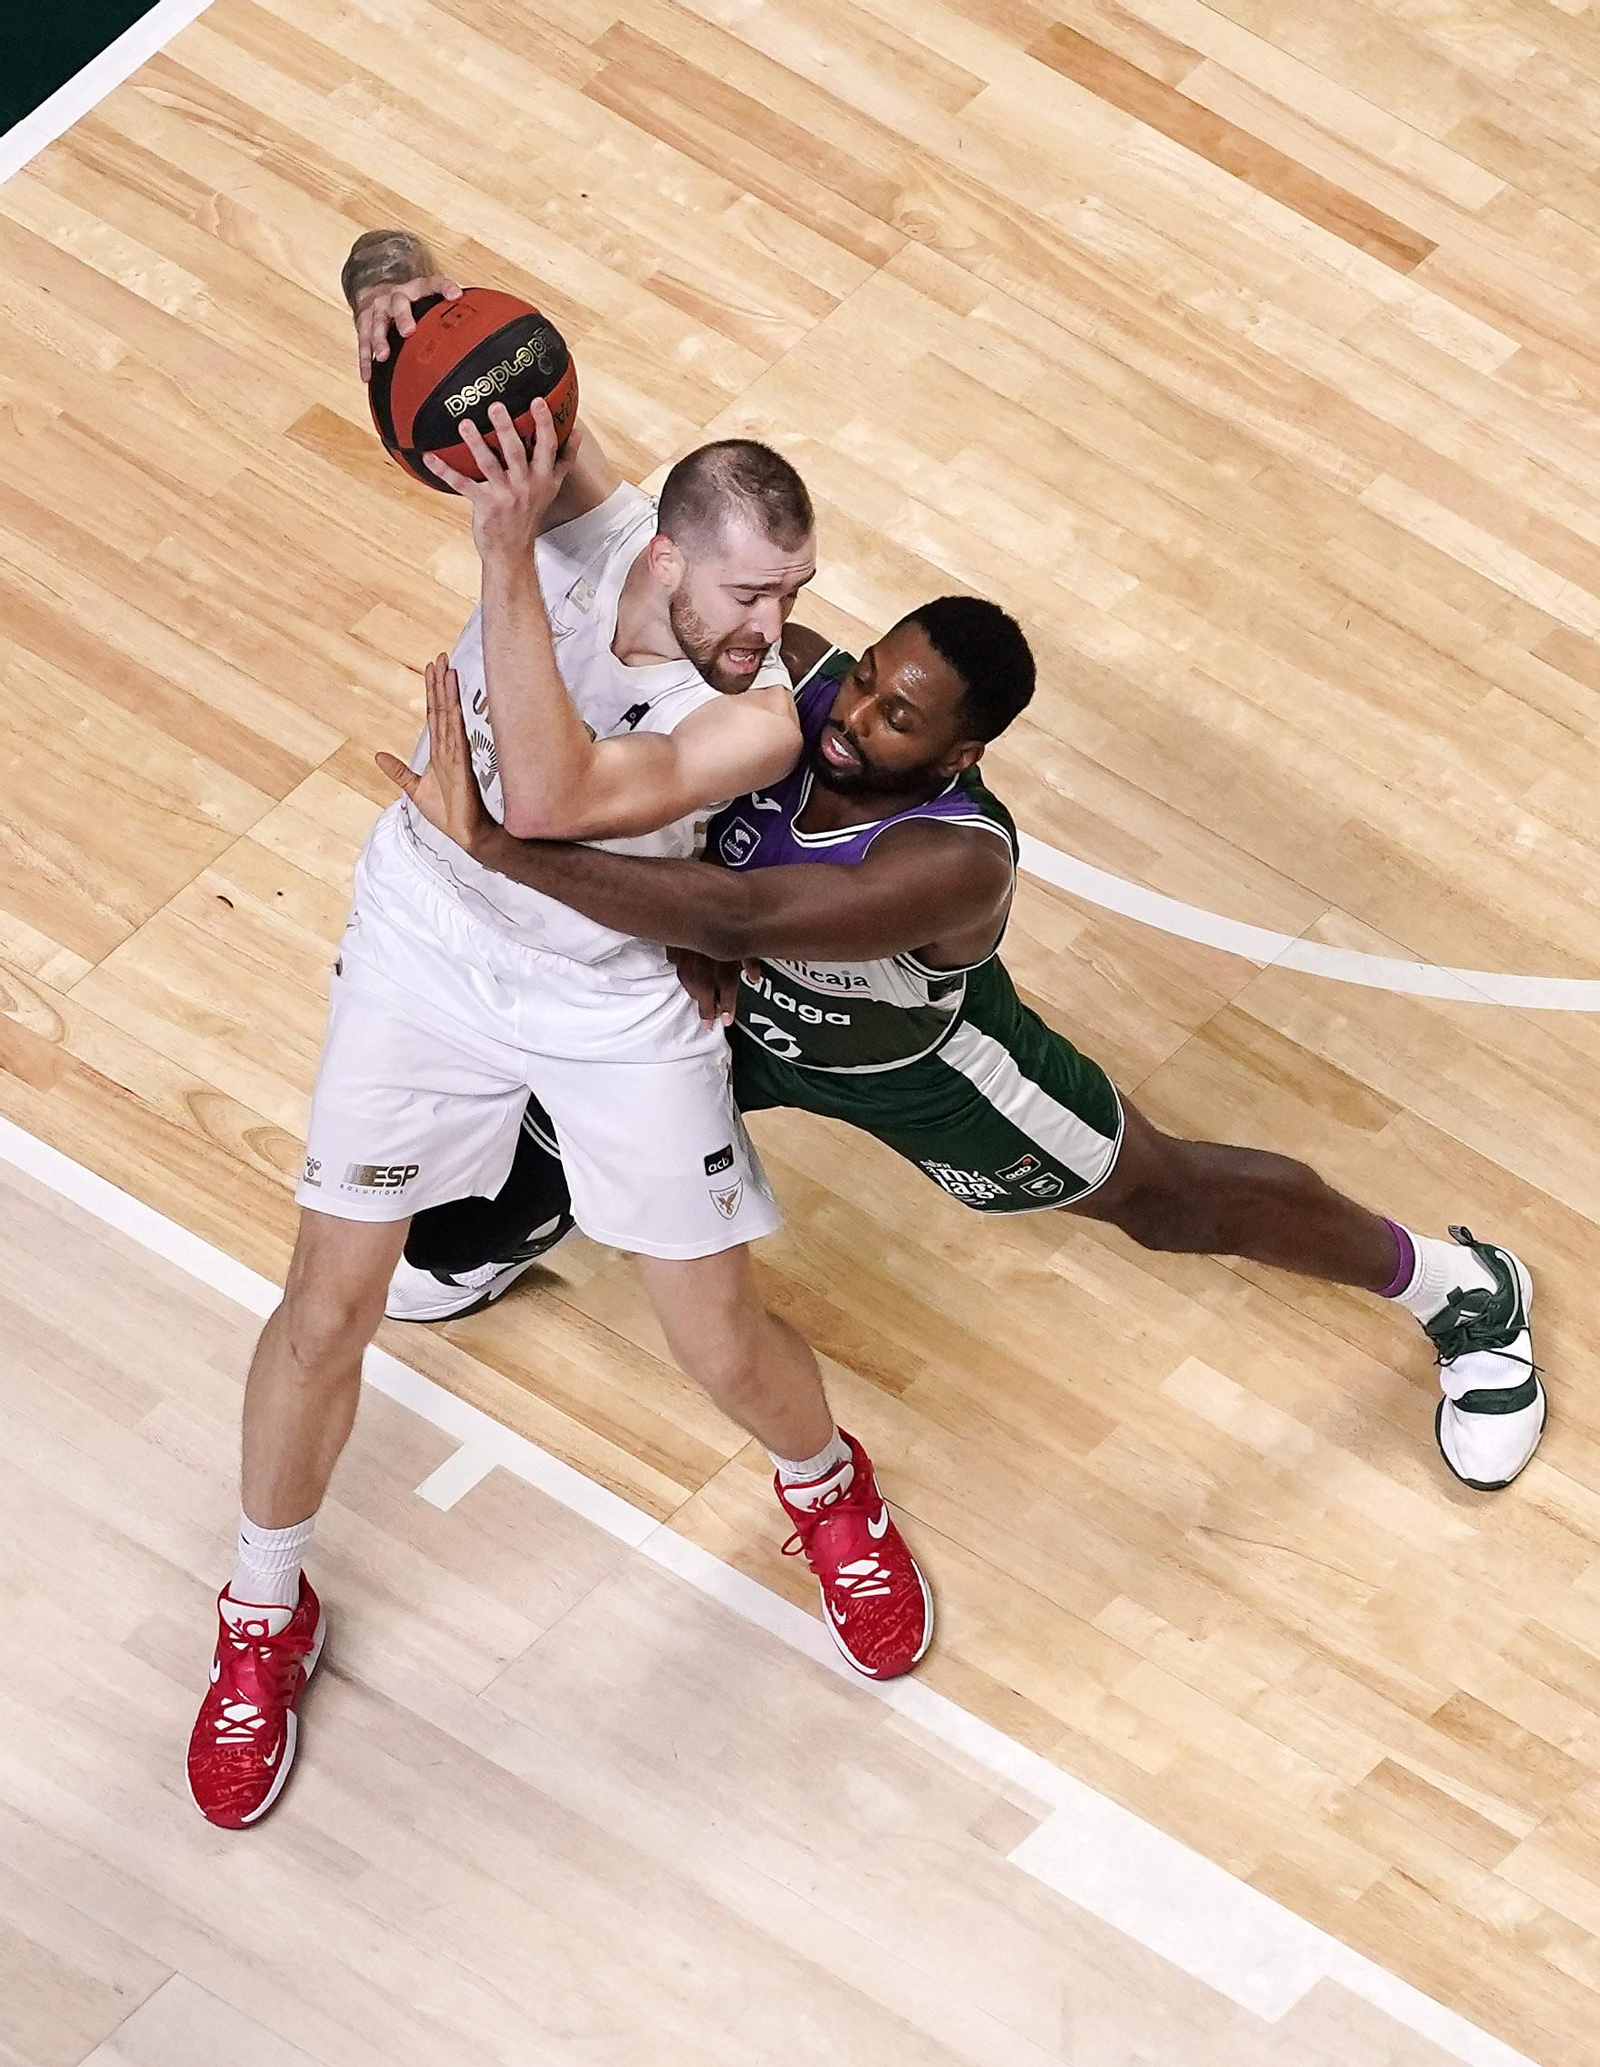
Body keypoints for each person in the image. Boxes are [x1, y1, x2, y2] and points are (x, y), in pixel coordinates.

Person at [186, 238, 930, 1834]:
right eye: (754, 590)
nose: (783, 623)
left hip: (611, 988)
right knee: (328, 1300)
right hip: (431, 948)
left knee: (715, 1333)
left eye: (795, 591)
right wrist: (385, 292)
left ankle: (828, 1489)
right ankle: (263, 1609)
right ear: (665, 549)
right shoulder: (584, 520)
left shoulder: (761, 713)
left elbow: (542, 798)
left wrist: (500, 559)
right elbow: (429, 308)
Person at [387, 606, 1546, 1509]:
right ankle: (503, 1230)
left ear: (959, 753)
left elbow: (739, 924)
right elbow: (658, 569)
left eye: (899, 716)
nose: (851, 714)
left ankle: (1464, 1292)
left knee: (1168, 1201)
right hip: (734, 1023)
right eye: (866, 675)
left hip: (910, 1067)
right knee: (546, 1101)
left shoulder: (952, 860)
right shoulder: (786, 676)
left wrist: (492, 846)